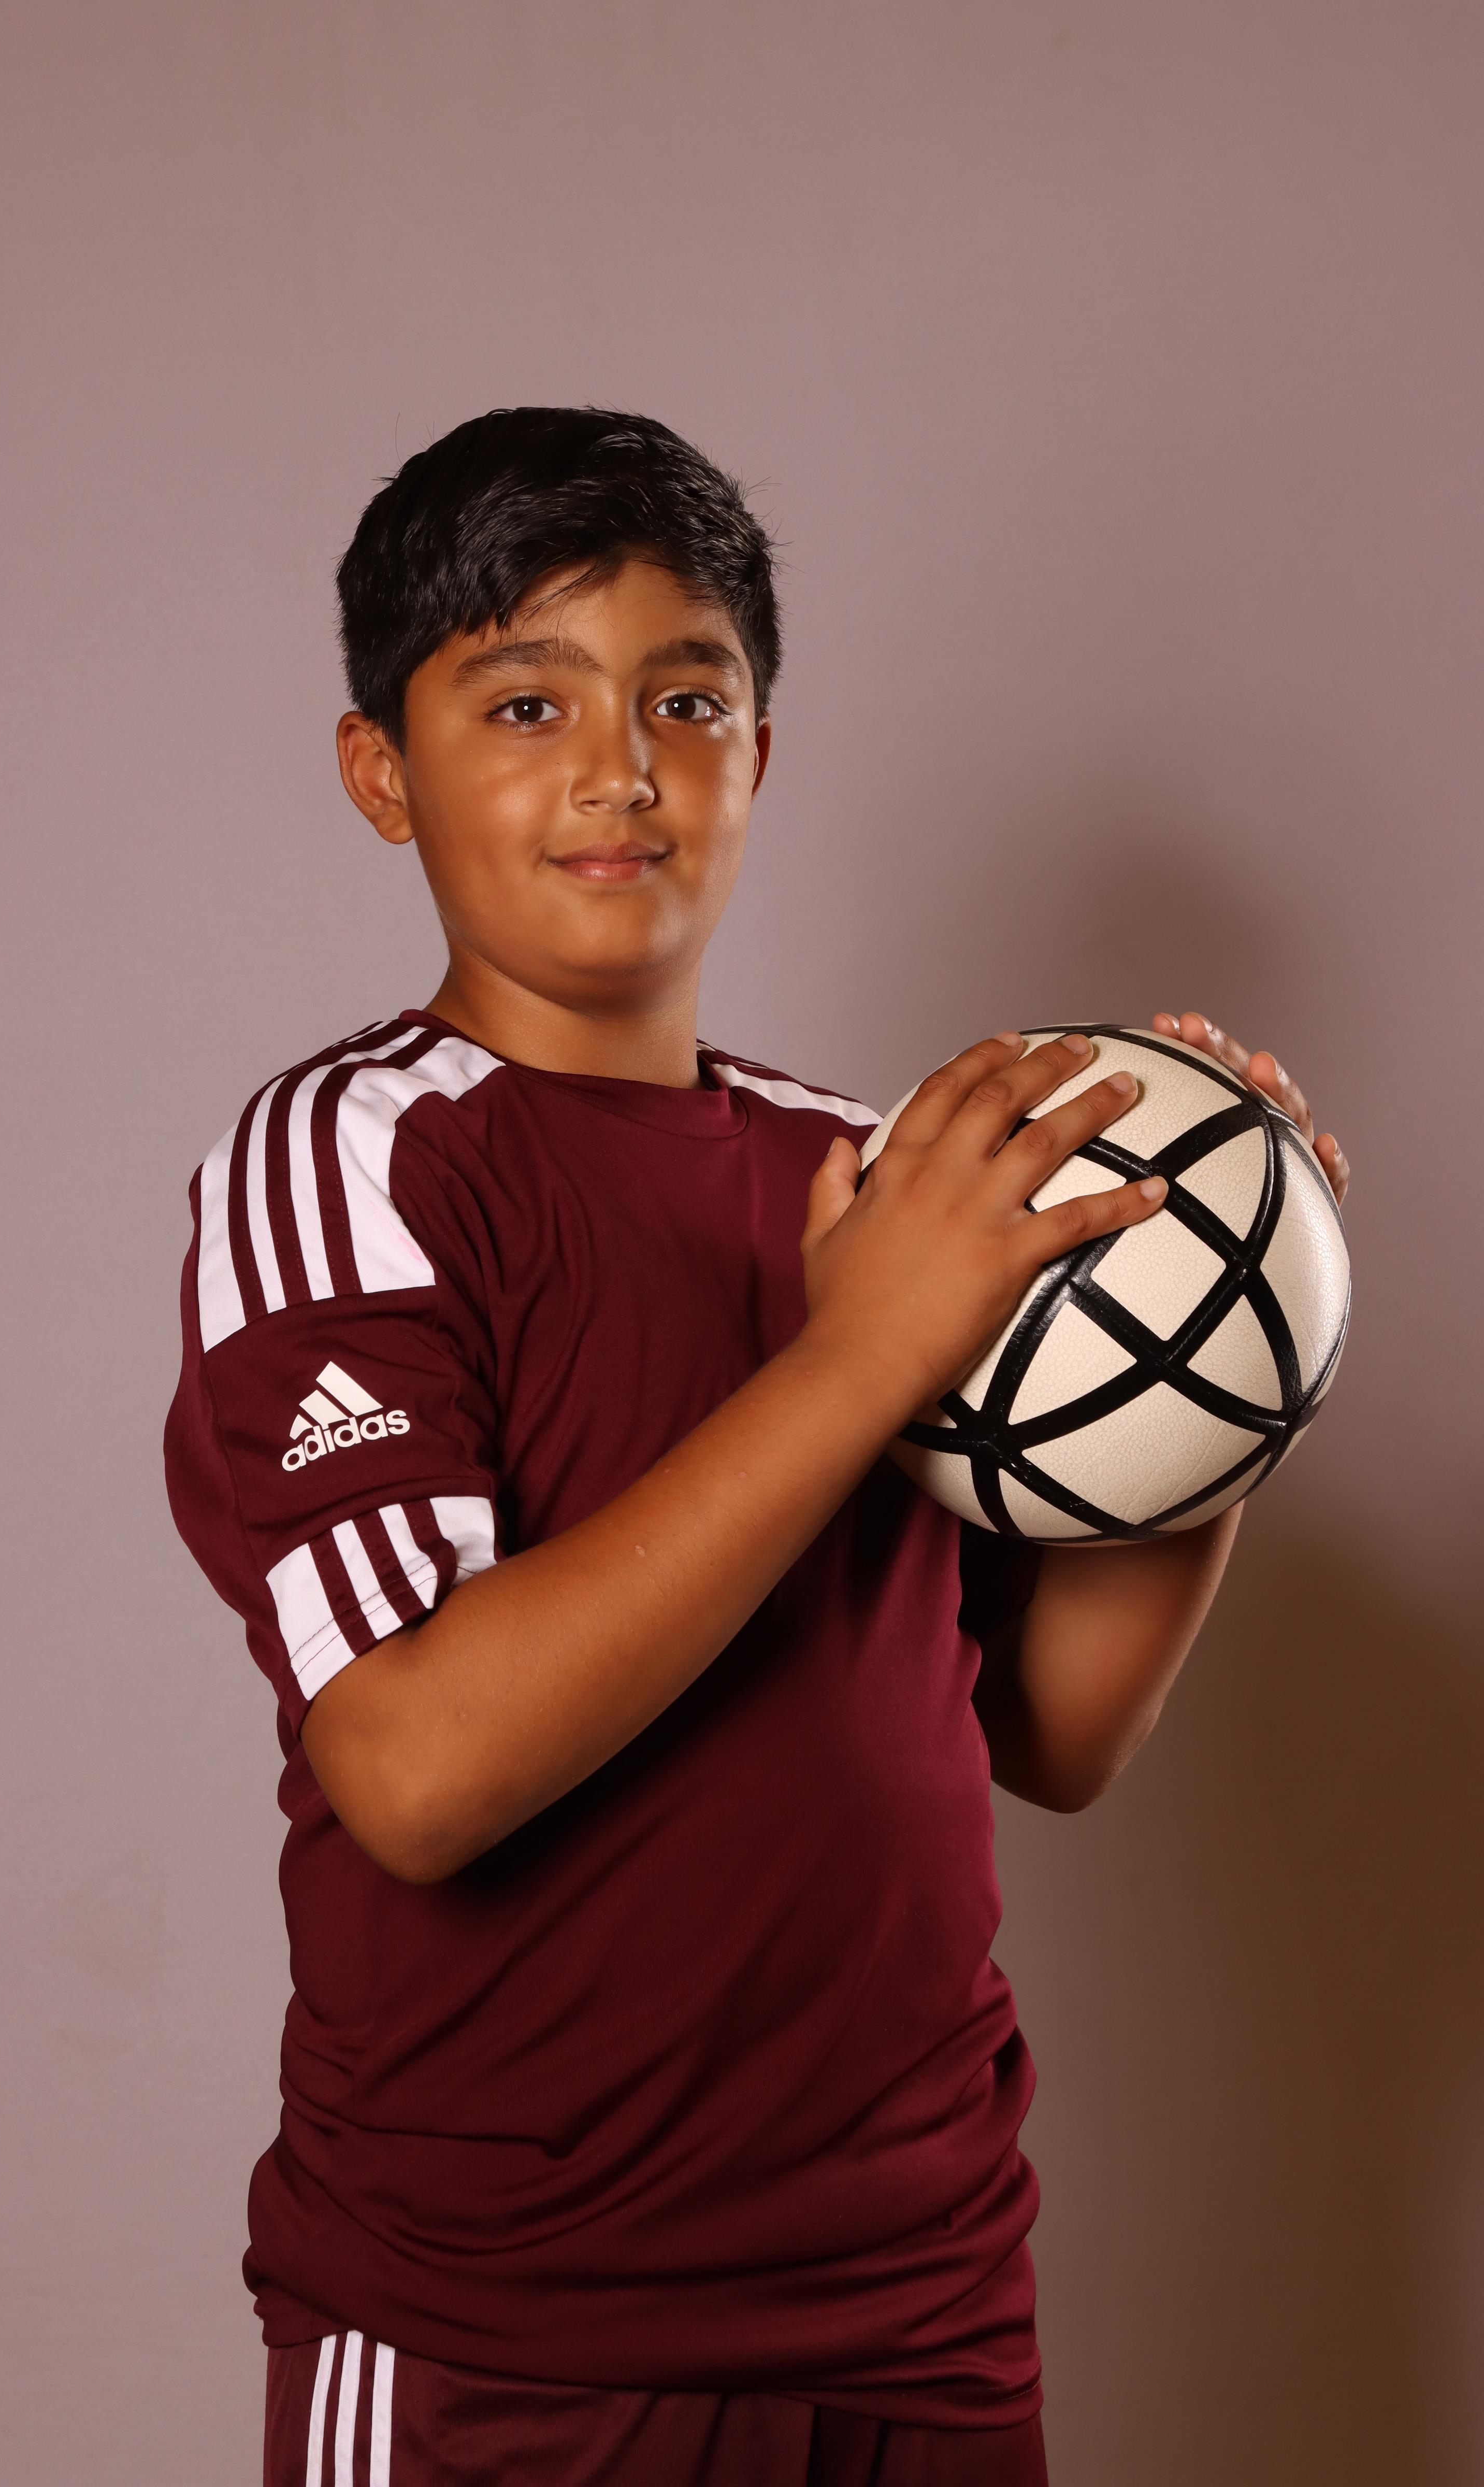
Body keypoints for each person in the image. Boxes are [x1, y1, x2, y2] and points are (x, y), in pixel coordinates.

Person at [164, 407, 1349, 2486]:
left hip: (919, 2314)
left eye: (687, 701)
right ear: (381, 772)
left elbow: (1051, 1734)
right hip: (509, 2338)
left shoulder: (882, 1171)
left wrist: (1220, 1346)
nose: (621, 769)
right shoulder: (355, 1158)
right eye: (524, 702)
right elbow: (416, 1769)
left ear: (759, 756)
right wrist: (861, 1351)